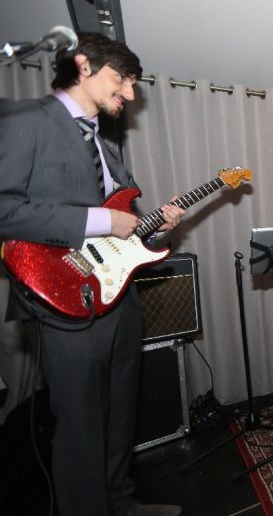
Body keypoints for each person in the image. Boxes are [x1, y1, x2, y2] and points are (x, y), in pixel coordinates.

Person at [0, 33, 185, 515]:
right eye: (123, 79)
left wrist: (154, 227)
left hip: (118, 299)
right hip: (62, 300)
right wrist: (101, 220)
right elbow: (4, 210)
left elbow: (124, 229)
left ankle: (121, 504)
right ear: (83, 65)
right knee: (80, 428)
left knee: (119, 415)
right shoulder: (27, 120)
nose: (130, 94)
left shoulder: (106, 144)